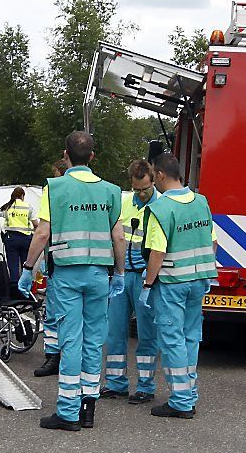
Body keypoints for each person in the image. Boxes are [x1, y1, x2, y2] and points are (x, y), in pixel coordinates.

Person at [18, 132, 124, 431]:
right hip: (99, 276)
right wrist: (120, 273)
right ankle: (88, 407)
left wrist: (28, 268)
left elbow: (42, 233)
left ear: (66, 154)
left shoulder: (56, 187)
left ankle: (67, 412)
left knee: (70, 341)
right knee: (93, 341)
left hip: (66, 275)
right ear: (93, 156)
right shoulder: (112, 191)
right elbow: (118, 236)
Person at [141, 153, 217, 420]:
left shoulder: (161, 209)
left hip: (172, 282)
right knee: (190, 337)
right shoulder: (201, 202)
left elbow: (157, 253)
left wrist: (148, 285)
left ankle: (181, 401)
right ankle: (190, 393)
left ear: (160, 175)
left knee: (172, 340)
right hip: (198, 281)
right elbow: (212, 241)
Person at [101, 159, 160, 404]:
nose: (141, 193)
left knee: (147, 334)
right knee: (114, 331)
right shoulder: (124, 205)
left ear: (154, 180)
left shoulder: (163, 206)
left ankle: (145, 386)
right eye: (137, 189)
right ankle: (116, 383)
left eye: (145, 188)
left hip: (147, 278)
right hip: (122, 276)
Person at [33, 159, 68, 378]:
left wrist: (28, 268)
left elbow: (44, 231)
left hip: (57, 260)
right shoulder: (90, 191)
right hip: (81, 263)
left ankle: (53, 355)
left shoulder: (53, 191)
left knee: (54, 313)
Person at [0, 187, 37, 288]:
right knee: (26, 265)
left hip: (11, 239)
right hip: (26, 239)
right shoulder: (28, 207)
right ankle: (27, 289)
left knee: (13, 265)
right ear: (22, 196)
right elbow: (36, 224)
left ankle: (14, 289)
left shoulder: (8, 207)